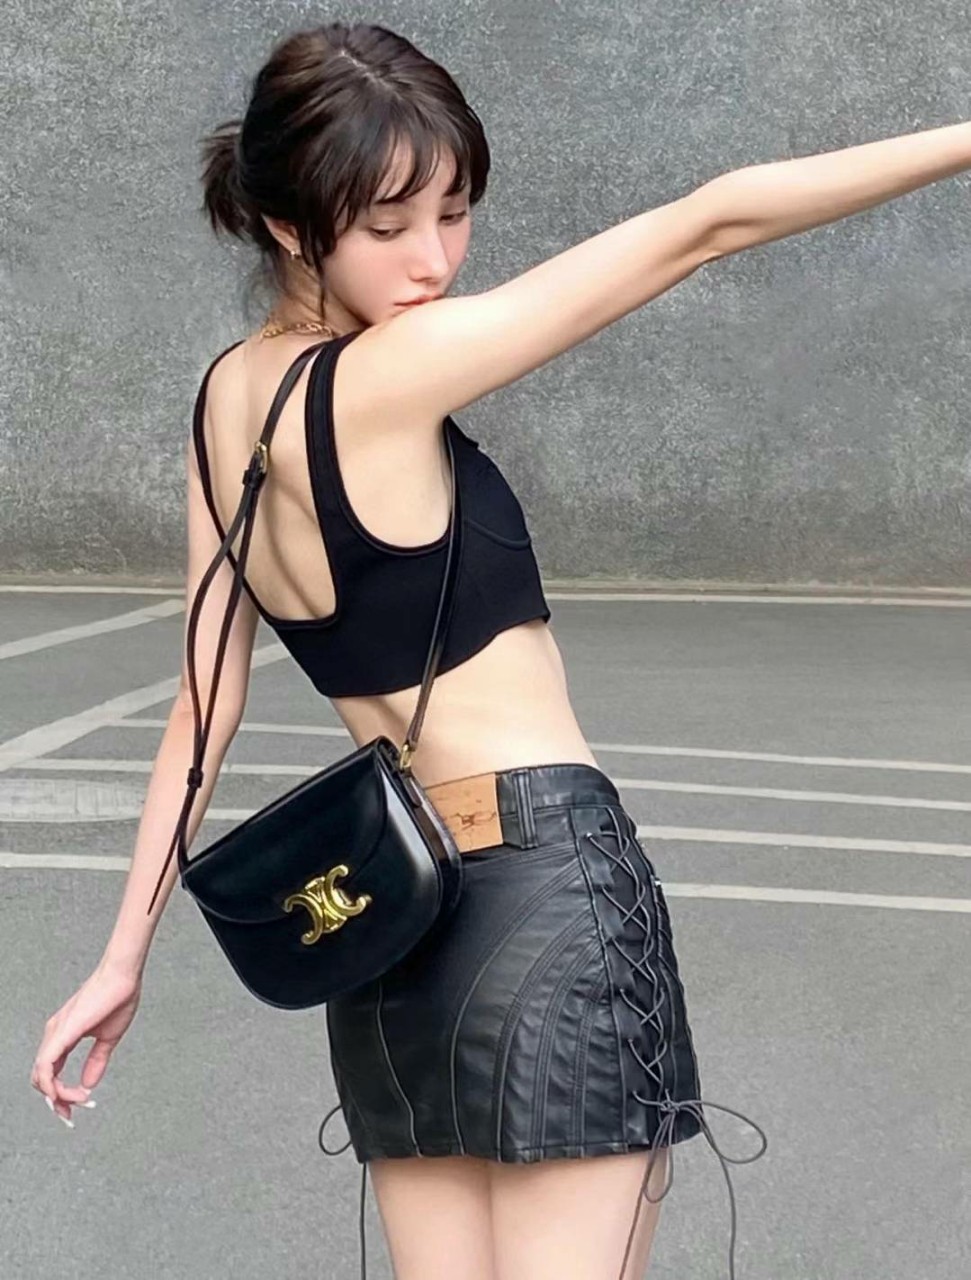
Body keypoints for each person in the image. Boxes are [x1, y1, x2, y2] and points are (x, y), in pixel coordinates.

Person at [29, 18, 971, 1280]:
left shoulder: (220, 406)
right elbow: (706, 224)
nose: (432, 259)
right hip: (542, 892)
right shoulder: (391, 370)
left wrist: (121, 956)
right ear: (291, 227)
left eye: (453, 211)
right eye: (387, 226)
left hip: (386, 927)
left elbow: (202, 706)